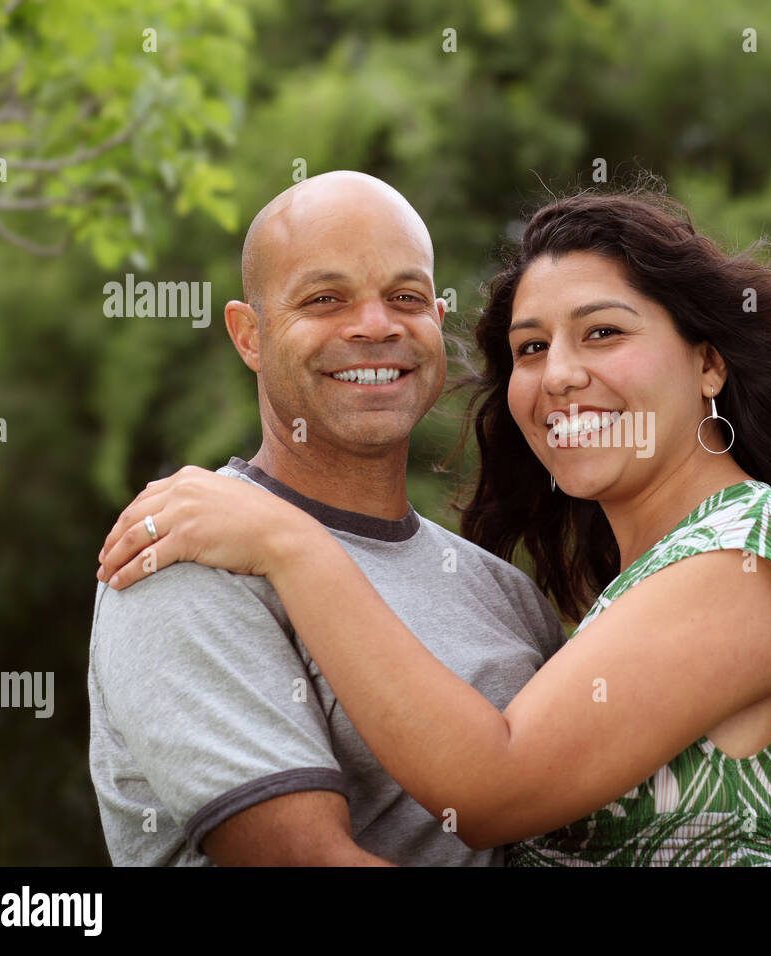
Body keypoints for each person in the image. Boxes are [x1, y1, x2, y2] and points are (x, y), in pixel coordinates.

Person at [97, 187, 771, 866]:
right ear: (247, 332)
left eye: (604, 332)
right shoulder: (190, 553)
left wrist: (290, 544)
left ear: (708, 361)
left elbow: (493, 785)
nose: (561, 376)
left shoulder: (754, 549)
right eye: (531, 347)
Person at [86, 171, 565, 866]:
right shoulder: (186, 559)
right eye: (324, 299)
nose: (375, 325)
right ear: (249, 336)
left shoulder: (506, 596)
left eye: (406, 297)